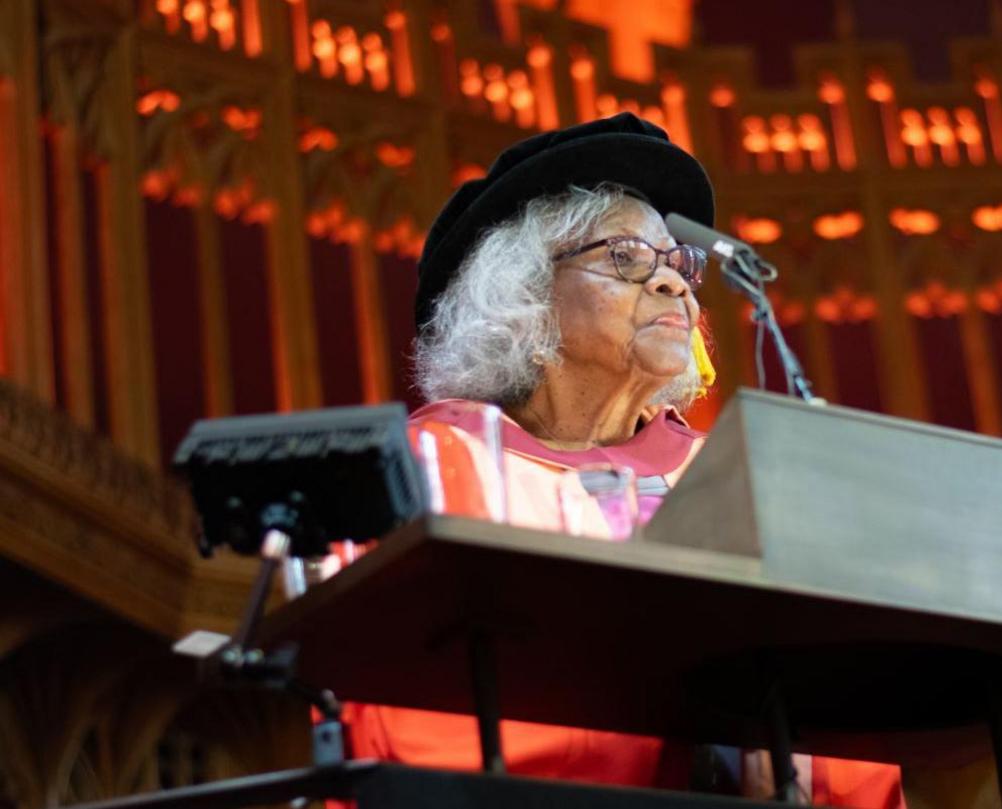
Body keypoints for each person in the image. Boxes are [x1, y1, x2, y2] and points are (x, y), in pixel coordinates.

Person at [336, 113, 905, 808]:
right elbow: (409, 728)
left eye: (679, 263)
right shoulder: (433, 468)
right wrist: (699, 727)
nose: (675, 286)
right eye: (627, 257)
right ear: (523, 296)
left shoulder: (730, 477)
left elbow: (859, 738)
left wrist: (793, 754)